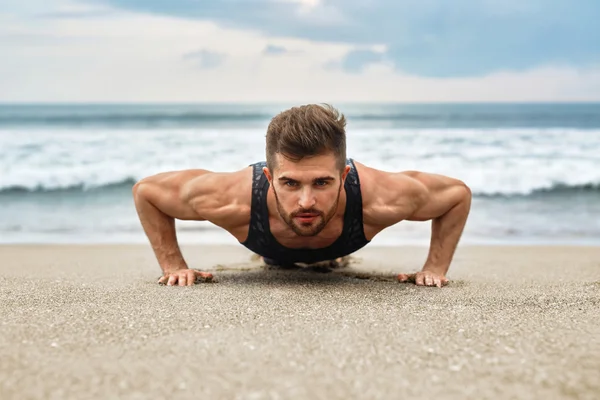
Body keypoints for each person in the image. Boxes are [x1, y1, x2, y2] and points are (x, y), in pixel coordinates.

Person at [132, 104, 472, 288]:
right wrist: (174, 265)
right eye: (290, 183)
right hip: (270, 245)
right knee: (277, 259)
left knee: (326, 257)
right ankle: (280, 256)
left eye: (322, 183)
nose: (306, 201)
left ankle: (332, 257)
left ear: (344, 175)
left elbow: (456, 195)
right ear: (268, 176)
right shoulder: (231, 199)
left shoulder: (381, 198)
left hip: (341, 240)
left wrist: (434, 268)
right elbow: (147, 192)